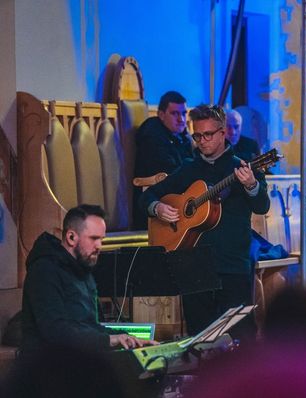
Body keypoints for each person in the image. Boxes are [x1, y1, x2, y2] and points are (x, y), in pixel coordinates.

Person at [140, 104, 270, 336]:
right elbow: (148, 196)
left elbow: (262, 206)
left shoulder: (244, 167)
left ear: (223, 133)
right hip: (194, 264)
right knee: (199, 336)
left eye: (208, 135)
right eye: (197, 136)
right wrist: (157, 208)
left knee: (241, 334)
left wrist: (251, 184)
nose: (202, 141)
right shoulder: (188, 170)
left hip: (232, 263)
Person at [20, 204, 158, 354]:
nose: (99, 246)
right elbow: (55, 331)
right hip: (48, 362)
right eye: (93, 238)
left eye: (101, 239)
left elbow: (90, 327)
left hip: (76, 358)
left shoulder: (83, 271)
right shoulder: (44, 270)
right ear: (71, 237)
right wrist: (109, 340)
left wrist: (129, 338)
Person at [133, 91, 194, 229]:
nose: (181, 119)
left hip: (179, 200)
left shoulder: (183, 137)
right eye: (175, 114)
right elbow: (170, 172)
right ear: (161, 115)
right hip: (155, 207)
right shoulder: (152, 138)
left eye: (183, 113)